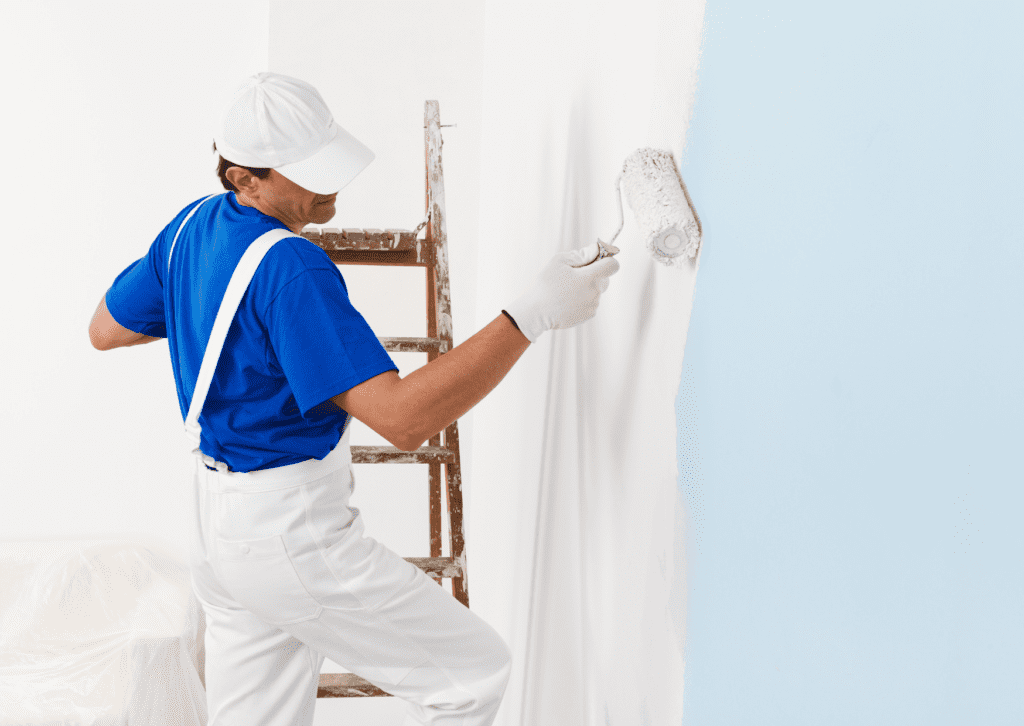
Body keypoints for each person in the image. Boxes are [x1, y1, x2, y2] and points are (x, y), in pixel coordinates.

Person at [88, 72, 619, 726]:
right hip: (287, 534)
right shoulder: (290, 269)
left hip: (217, 529)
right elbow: (403, 418)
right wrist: (532, 314)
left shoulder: (191, 228)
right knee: (472, 675)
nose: (328, 184)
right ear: (244, 179)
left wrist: (217, 318)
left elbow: (106, 329)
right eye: (303, 172)